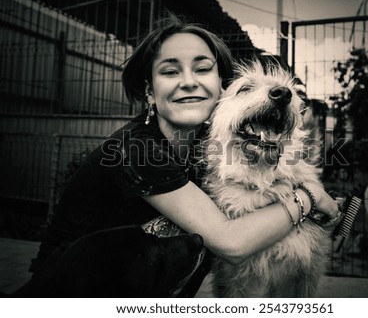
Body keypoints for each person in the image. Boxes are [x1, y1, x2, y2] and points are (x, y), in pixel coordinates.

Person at [29, 15, 341, 295]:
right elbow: (231, 242)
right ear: (150, 92)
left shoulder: (207, 149)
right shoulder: (138, 149)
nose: (189, 81)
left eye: (203, 69)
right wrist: (308, 196)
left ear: (220, 90)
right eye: (170, 71)